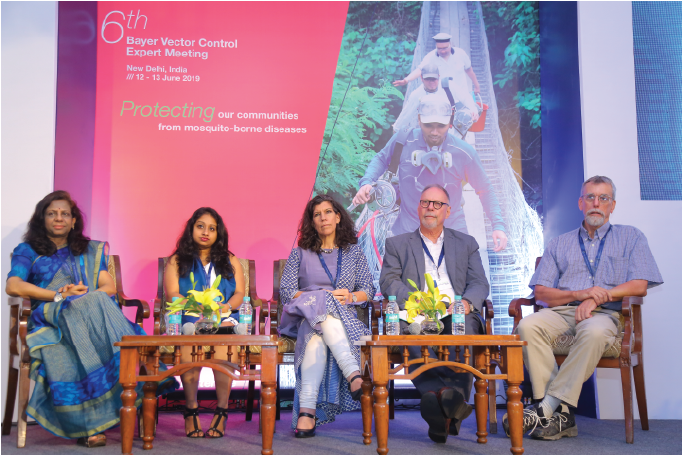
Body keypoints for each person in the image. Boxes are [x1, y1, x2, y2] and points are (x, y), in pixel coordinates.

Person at [5, 191, 175, 447]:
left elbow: (108, 286)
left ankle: (94, 425)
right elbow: (13, 285)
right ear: (42, 219)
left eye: (65, 213)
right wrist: (58, 295)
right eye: (52, 213)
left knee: (93, 303)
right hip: (50, 315)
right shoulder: (27, 250)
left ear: (74, 220)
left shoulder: (90, 250)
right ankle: (139, 363)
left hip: (91, 316)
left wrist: (82, 298)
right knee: (83, 319)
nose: (59, 218)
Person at [505, 176, 663, 440]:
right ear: (580, 203)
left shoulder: (631, 236)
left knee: (594, 332)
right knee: (528, 325)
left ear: (612, 205)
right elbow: (541, 293)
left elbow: (640, 284)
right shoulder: (559, 243)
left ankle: (547, 408)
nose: (596, 203)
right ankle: (561, 415)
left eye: (603, 198)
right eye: (590, 197)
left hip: (606, 314)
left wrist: (598, 298)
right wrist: (580, 294)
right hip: (563, 311)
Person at [379, 184, 489, 443]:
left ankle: (439, 405)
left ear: (448, 211)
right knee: (412, 330)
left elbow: (479, 283)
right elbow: (389, 281)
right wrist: (416, 301)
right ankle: (450, 401)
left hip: (455, 310)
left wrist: (466, 304)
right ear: (418, 208)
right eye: (426, 202)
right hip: (417, 311)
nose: (430, 207)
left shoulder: (466, 243)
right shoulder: (397, 244)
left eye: (437, 204)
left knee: (465, 328)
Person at [353, 93, 508, 252]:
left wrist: (498, 226)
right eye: (429, 125)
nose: (434, 132)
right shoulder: (403, 141)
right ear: (419, 119)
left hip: (452, 233)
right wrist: (366, 182)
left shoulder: (464, 153)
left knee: (459, 275)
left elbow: (485, 189)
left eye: (440, 126)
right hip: (409, 233)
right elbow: (381, 159)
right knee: (410, 276)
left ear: (450, 122)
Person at [279, 195, 375, 438]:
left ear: (338, 216)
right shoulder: (299, 253)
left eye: (328, 212)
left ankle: (307, 412)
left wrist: (351, 297)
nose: (323, 217)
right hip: (305, 317)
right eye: (317, 214)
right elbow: (287, 293)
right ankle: (354, 373)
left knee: (319, 331)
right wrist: (322, 296)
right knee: (321, 309)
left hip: (344, 322)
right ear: (312, 222)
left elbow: (369, 290)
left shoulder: (353, 253)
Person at [164, 207, 245, 438]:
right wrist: (197, 307)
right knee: (190, 338)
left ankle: (221, 410)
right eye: (201, 226)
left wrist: (226, 306)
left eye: (212, 228)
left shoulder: (230, 260)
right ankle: (190, 409)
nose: (206, 232)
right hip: (190, 317)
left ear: (219, 233)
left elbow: (239, 293)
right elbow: (173, 295)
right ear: (192, 229)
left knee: (224, 342)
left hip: (223, 318)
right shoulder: (177, 260)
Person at [394, 33, 480, 115]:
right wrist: (406, 80)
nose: (442, 51)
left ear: (450, 45)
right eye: (439, 48)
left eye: (445, 48)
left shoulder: (461, 54)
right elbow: (420, 70)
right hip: (442, 99)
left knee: (461, 125)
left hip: (461, 98)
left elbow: (469, 70)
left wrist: (477, 86)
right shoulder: (431, 56)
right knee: (443, 126)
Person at [393, 62, 478, 134]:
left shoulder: (449, 86)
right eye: (428, 79)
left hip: (450, 130)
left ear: (439, 76)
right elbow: (405, 115)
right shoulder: (416, 94)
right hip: (429, 132)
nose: (431, 82)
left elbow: (465, 96)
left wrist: (473, 109)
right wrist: (396, 131)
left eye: (434, 79)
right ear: (422, 78)